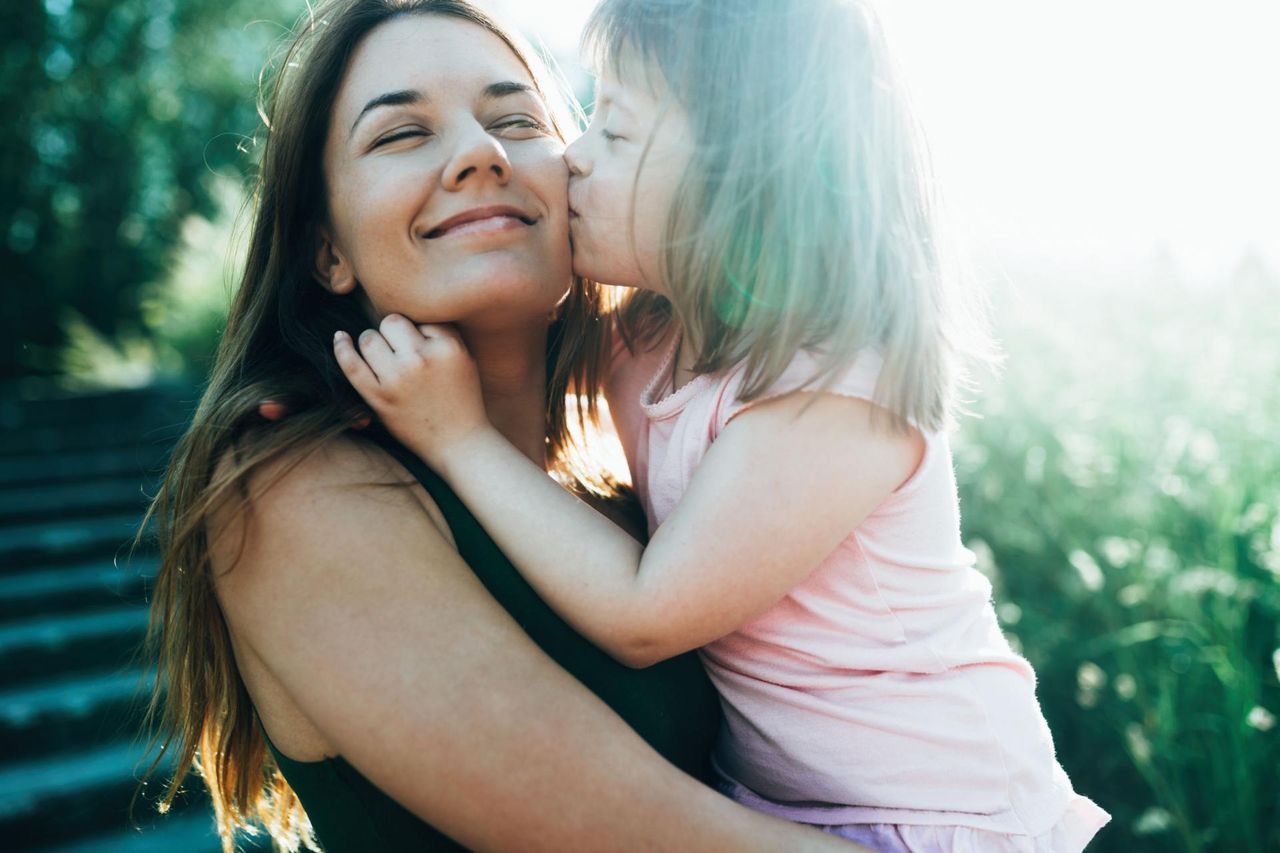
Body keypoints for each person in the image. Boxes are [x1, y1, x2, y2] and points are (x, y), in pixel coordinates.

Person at [333, 0, 1112, 850]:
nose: (573, 158)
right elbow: (507, 346)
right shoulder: (647, 340)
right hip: (788, 810)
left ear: (744, 181)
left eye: (617, 133)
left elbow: (644, 613)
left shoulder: (832, 386)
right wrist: (331, 392)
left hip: (938, 814)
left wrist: (456, 438)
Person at [139, 1, 867, 851]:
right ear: (325, 251)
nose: (481, 153)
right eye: (401, 134)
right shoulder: (288, 490)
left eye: (517, 120)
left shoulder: (635, 494)